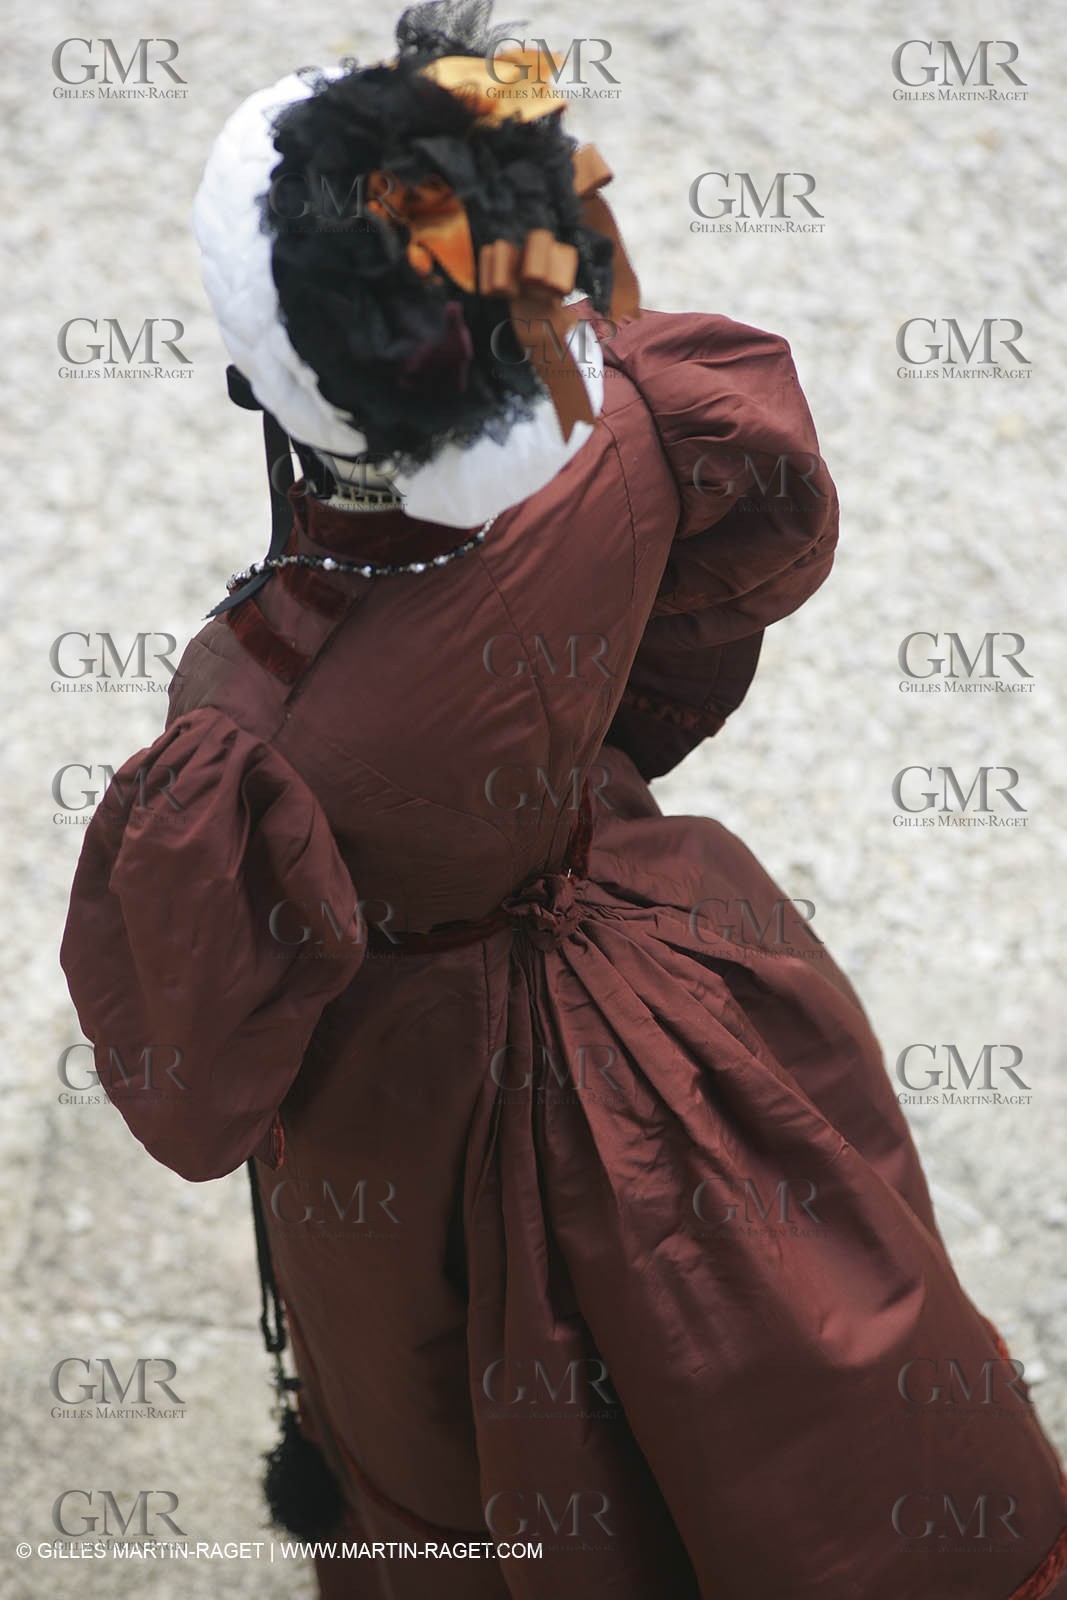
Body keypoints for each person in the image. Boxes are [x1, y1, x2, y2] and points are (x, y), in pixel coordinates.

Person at [61, 3, 1067, 1596]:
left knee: (452, 1426)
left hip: (420, 1095)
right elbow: (735, 587)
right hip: (675, 957)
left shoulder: (255, 720)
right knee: (786, 1352)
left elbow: (193, 1082)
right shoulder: (654, 427)